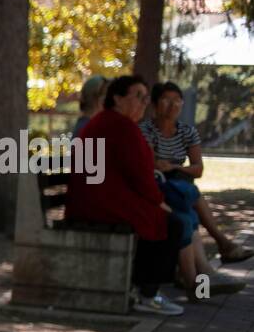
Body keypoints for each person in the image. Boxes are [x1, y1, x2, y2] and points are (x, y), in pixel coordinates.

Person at [66, 75, 187, 316]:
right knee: (170, 222)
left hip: (98, 197)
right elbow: (140, 174)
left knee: (166, 218)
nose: (144, 103)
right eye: (138, 96)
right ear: (118, 99)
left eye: (146, 98)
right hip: (97, 203)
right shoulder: (118, 125)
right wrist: (158, 202)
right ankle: (148, 293)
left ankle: (144, 288)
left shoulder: (114, 123)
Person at [141, 81, 251, 287]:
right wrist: (173, 167)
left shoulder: (187, 131)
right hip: (159, 187)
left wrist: (175, 168)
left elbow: (198, 169)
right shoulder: (146, 129)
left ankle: (198, 277)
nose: (173, 105)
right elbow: (151, 164)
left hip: (178, 186)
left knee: (187, 207)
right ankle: (210, 264)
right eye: (166, 100)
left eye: (177, 100)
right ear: (155, 104)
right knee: (188, 209)